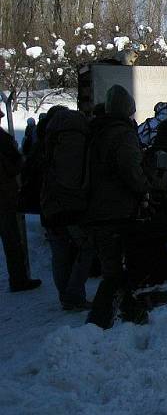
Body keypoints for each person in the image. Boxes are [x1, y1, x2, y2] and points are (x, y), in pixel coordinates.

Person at [83, 85, 149, 328]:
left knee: (115, 266)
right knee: (119, 268)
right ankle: (100, 321)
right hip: (117, 209)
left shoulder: (96, 130)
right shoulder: (122, 134)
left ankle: (128, 311)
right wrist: (144, 187)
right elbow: (131, 170)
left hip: (97, 208)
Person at [40, 106, 95, 310]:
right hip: (70, 206)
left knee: (60, 252)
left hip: (49, 203)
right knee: (87, 247)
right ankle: (74, 295)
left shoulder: (49, 136)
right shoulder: (75, 139)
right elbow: (74, 178)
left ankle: (65, 295)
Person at [0, 106, 41, 293]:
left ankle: (19, 278)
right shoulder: (2, 140)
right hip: (4, 197)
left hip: (5, 195)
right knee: (12, 240)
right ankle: (18, 279)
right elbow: (12, 166)